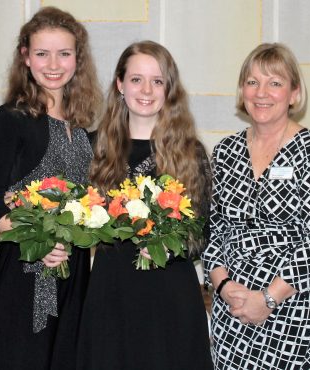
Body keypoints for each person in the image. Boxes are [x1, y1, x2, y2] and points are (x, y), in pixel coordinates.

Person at [76, 40, 213, 370]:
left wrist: (170, 244)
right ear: (120, 84)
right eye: (136, 79)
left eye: (158, 80)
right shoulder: (92, 147)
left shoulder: (190, 152)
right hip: (111, 295)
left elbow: (204, 232)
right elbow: (76, 221)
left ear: (170, 89)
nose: (146, 90)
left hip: (169, 296)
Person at [0, 6, 102, 370]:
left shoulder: (81, 127)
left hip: (74, 274)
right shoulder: (12, 119)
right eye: (42, 53)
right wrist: (41, 243)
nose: (53, 63)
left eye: (64, 53)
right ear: (25, 58)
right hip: (23, 276)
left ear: (77, 59)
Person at [202, 43, 310, 370]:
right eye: (253, 82)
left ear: (294, 93)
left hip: (294, 309)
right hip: (232, 310)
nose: (262, 92)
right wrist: (222, 286)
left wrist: (267, 299)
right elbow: (212, 230)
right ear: (242, 90)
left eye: (275, 83)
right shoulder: (225, 152)